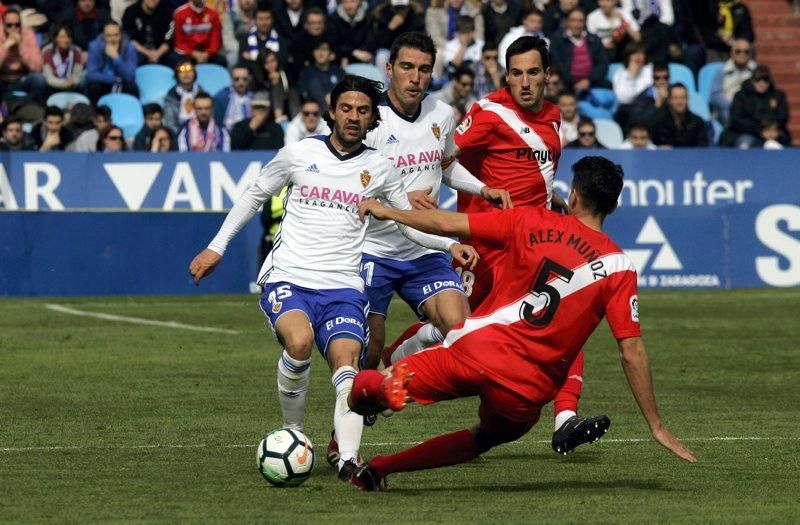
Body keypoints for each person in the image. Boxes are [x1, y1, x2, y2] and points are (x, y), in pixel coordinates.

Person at [188, 74, 479, 481]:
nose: (353, 117)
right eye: (346, 109)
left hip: (344, 285)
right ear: (331, 113)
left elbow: (407, 224)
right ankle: (294, 433)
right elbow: (254, 194)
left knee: (350, 368)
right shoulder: (299, 153)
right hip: (290, 274)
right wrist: (216, 247)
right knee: (301, 342)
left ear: (372, 119)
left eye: (362, 111)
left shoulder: (381, 168)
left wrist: (447, 246)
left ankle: (349, 459)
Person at [347, 155, 697, 490]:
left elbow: (446, 223)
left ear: (573, 195)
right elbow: (631, 352)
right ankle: (378, 469)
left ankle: (377, 391)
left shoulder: (531, 220)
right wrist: (656, 426)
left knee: (365, 393)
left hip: (474, 351)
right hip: (525, 391)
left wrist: (386, 210)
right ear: (613, 206)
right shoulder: (620, 268)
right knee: (483, 438)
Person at [387, 35, 608, 457]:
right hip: (487, 245)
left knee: (564, 321)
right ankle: (391, 361)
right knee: (456, 326)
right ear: (507, 76)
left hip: (533, 247)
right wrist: (415, 192)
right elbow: (444, 155)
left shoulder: (554, 116)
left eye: (532, 73)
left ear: (548, 75)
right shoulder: (487, 113)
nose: (524, 82)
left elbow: (538, 169)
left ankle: (565, 418)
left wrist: (552, 201)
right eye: (516, 73)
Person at [722, 66, 791, 149]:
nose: (761, 83)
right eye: (757, 79)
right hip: (747, 132)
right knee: (744, 144)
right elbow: (736, 119)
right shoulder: (741, 96)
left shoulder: (777, 95)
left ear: (769, 81)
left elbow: (783, 116)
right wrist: (760, 129)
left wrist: (772, 129)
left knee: (778, 144)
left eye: (765, 79)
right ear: (752, 81)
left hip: (773, 134)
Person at [549, 8, 611, 93]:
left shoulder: (594, 39)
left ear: (584, 22)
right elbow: (557, 63)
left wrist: (588, 80)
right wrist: (574, 83)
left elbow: (603, 64)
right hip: (567, 85)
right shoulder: (558, 40)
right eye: (573, 20)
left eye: (580, 21)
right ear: (567, 22)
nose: (576, 24)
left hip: (592, 83)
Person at [86, 21, 138, 104]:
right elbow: (91, 74)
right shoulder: (95, 46)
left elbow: (130, 76)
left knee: (132, 87)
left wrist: (116, 57)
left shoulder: (129, 47)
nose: (112, 39)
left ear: (121, 35)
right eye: (108, 36)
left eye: (116, 35)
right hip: (104, 82)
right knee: (94, 87)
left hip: (123, 82)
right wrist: (115, 79)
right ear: (103, 36)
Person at [0, 8, 45, 101]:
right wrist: (5, 46)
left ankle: (33, 108)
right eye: (9, 25)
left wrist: (21, 46)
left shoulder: (27, 34)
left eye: (17, 25)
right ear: (3, 25)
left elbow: (37, 66)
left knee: (38, 79)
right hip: (2, 78)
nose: (13, 28)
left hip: (22, 78)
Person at [709, 39, 756, 127]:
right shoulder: (722, 71)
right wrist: (734, 106)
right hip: (728, 108)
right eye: (738, 51)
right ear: (732, 53)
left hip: (751, 109)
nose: (742, 55)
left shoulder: (756, 71)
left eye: (746, 52)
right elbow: (715, 96)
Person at [650, 83, 708, 148]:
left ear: (687, 100)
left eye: (683, 98)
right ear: (669, 100)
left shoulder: (697, 123)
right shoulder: (660, 122)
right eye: (676, 98)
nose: (680, 102)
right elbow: (652, 145)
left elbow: (702, 149)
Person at [172, 0, 226, 66]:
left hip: (207, 53)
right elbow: (178, 42)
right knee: (178, 61)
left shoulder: (213, 14)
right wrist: (193, 53)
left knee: (221, 61)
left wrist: (207, 53)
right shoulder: (179, 13)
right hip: (187, 53)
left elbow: (215, 40)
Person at [122, 0, 175, 66]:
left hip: (161, 51)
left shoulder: (168, 12)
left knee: (175, 60)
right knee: (134, 59)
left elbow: (169, 38)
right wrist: (148, 53)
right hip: (140, 50)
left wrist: (158, 53)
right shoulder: (131, 12)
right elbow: (130, 38)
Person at [296, 37, 345, 108]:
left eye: (324, 49)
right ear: (313, 53)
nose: (320, 53)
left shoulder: (339, 72)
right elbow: (304, 96)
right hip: (315, 114)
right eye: (317, 49)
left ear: (331, 54)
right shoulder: (306, 73)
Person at [252, 48, 295, 122]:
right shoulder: (258, 79)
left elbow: (290, 90)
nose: (271, 65)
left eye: (273, 61)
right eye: (266, 62)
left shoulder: (285, 73)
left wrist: (280, 79)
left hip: (286, 108)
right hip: (266, 111)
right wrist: (271, 84)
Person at [328, 0, 376, 67]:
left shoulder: (368, 17)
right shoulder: (333, 19)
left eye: (353, 1)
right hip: (341, 58)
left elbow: (370, 41)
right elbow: (334, 44)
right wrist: (353, 52)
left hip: (363, 56)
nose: (349, 6)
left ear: (359, 2)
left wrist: (360, 53)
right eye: (345, 2)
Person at [41, 25, 85, 96]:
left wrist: (73, 81)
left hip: (72, 86)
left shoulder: (77, 52)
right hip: (53, 87)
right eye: (62, 37)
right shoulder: (47, 52)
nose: (66, 40)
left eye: (68, 37)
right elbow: (48, 77)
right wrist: (63, 83)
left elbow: (77, 74)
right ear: (55, 39)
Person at [213, 63, 253, 131]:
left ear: (249, 79)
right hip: (229, 134)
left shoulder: (255, 96)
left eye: (244, 79)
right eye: (236, 79)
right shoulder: (221, 98)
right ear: (231, 79)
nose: (241, 83)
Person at [163, 58, 199, 133]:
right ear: (177, 74)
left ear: (194, 73)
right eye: (182, 71)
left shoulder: (202, 93)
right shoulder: (170, 96)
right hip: (177, 134)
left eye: (189, 70)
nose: (186, 74)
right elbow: (170, 123)